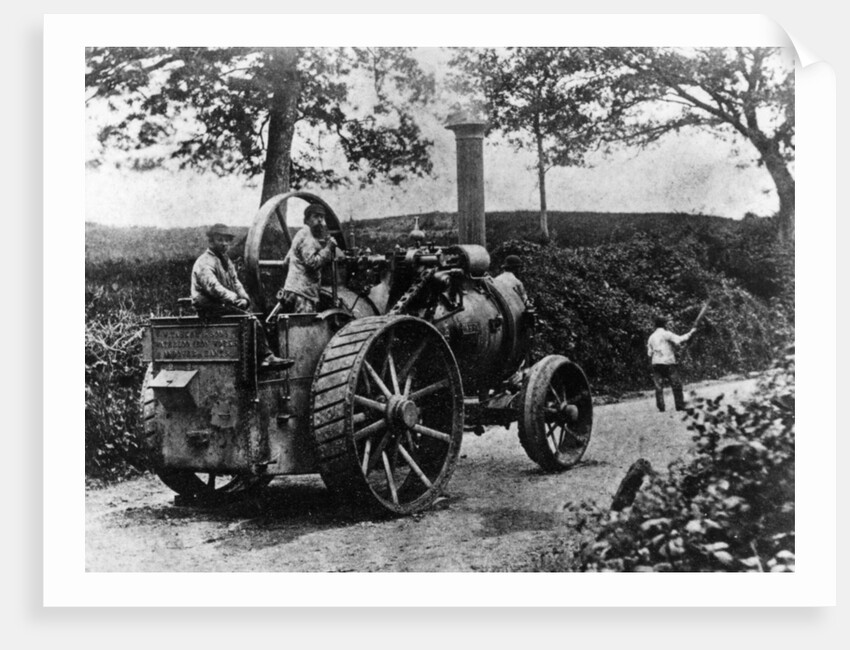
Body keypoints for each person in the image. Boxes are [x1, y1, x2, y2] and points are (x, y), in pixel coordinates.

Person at [191, 223, 289, 369]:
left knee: (253, 317)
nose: (224, 243)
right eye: (220, 239)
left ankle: (258, 359)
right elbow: (213, 287)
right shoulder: (204, 262)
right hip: (208, 308)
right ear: (211, 241)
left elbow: (236, 283)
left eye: (227, 240)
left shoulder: (225, 260)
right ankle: (265, 357)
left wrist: (244, 299)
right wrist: (235, 299)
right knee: (250, 320)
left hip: (221, 306)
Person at [280, 204, 337, 313]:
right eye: (316, 216)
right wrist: (328, 248)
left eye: (322, 217)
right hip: (303, 294)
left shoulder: (300, 234)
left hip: (291, 290)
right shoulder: (308, 236)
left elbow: (286, 262)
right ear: (307, 220)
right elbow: (312, 263)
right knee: (304, 323)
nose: (320, 220)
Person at [647, 315, 696, 412]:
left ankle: (661, 407)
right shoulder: (666, 334)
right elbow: (679, 339)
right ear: (664, 324)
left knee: (658, 386)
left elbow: (649, 353)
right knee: (676, 384)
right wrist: (691, 333)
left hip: (656, 362)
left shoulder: (651, 337)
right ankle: (679, 405)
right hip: (668, 362)